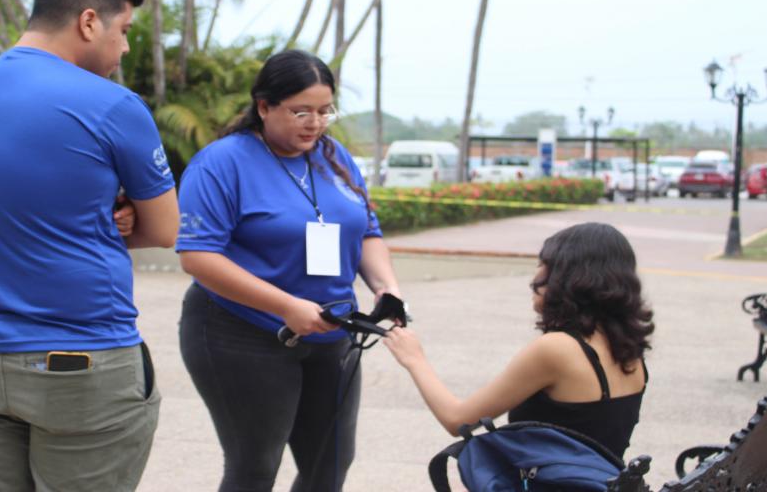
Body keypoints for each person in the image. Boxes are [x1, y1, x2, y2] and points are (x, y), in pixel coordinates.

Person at [0, 0, 179, 491]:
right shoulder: (113, 105)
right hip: (78, 361)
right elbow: (165, 229)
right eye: (125, 29)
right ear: (89, 21)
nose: (126, 46)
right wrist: (103, 222)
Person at [175, 49, 402, 491]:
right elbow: (198, 257)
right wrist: (284, 306)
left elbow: (366, 232)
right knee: (255, 466)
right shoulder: (222, 163)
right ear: (264, 107)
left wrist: (385, 287)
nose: (314, 124)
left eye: (324, 111)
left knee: (330, 464)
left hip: (332, 331)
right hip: (241, 331)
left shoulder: (335, 157)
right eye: (301, 111)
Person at [384, 222, 653, 459]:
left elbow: (458, 420)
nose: (535, 277)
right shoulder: (629, 350)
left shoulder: (556, 350)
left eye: (543, 266)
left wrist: (414, 359)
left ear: (567, 277)